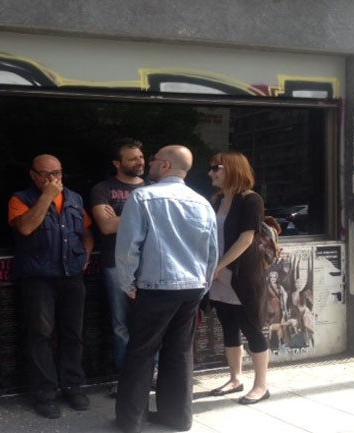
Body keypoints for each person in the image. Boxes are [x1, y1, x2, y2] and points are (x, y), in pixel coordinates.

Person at [114, 145, 218, 433]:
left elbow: (128, 248)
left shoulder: (143, 197)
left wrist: (127, 284)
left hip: (155, 287)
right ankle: (178, 418)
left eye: (154, 160)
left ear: (166, 166)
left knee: (141, 352)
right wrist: (204, 285)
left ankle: (131, 422)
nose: (149, 164)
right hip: (192, 287)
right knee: (180, 352)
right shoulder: (202, 203)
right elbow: (212, 252)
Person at [8, 154, 94, 419]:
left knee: (73, 333)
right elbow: (25, 228)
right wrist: (46, 197)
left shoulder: (74, 198)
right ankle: (44, 393)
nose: (52, 178)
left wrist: (85, 256)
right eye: (45, 174)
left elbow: (86, 231)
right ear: (33, 175)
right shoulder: (20, 199)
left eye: (56, 173)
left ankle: (72, 387)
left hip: (71, 276)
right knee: (40, 335)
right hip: (38, 277)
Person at [206, 151, 271, 405]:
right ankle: (235, 379)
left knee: (252, 328)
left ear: (232, 169)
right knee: (229, 326)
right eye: (211, 168)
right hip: (219, 275)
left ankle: (261, 386)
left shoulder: (251, 200)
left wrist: (219, 266)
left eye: (216, 168)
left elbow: (246, 239)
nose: (211, 173)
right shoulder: (216, 200)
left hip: (242, 275)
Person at [89, 137, 145, 396]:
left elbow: (117, 223)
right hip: (116, 265)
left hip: (150, 266)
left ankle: (151, 374)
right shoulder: (103, 189)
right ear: (117, 163)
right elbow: (106, 226)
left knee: (150, 323)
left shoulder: (152, 187)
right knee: (121, 325)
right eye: (132, 158)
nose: (139, 161)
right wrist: (144, 215)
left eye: (141, 157)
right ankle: (127, 378)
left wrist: (122, 217)